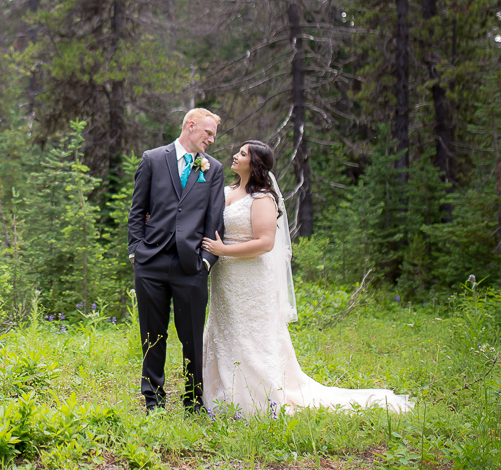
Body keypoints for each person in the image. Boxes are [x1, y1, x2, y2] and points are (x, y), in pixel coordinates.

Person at [200, 140, 413, 416]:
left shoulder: (262, 198)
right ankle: (222, 392)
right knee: (224, 329)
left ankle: (257, 398)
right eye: (238, 152)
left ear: (255, 164)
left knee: (250, 335)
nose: (235, 155)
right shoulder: (227, 191)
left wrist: (224, 249)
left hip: (249, 277)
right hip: (225, 277)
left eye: (242, 154)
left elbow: (265, 243)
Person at [127, 108, 226, 412]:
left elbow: (215, 218)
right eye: (208, 133)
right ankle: (153, 400)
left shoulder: (213, 169)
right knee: (152, 336)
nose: (211, 140)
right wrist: (136, 252)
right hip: (151, 262)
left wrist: (206, 261)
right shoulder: (153, 159)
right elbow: (137, 210)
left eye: (213, 136)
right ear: (190, 125)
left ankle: (193, 400)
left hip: (190, 266)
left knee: (192, 338)